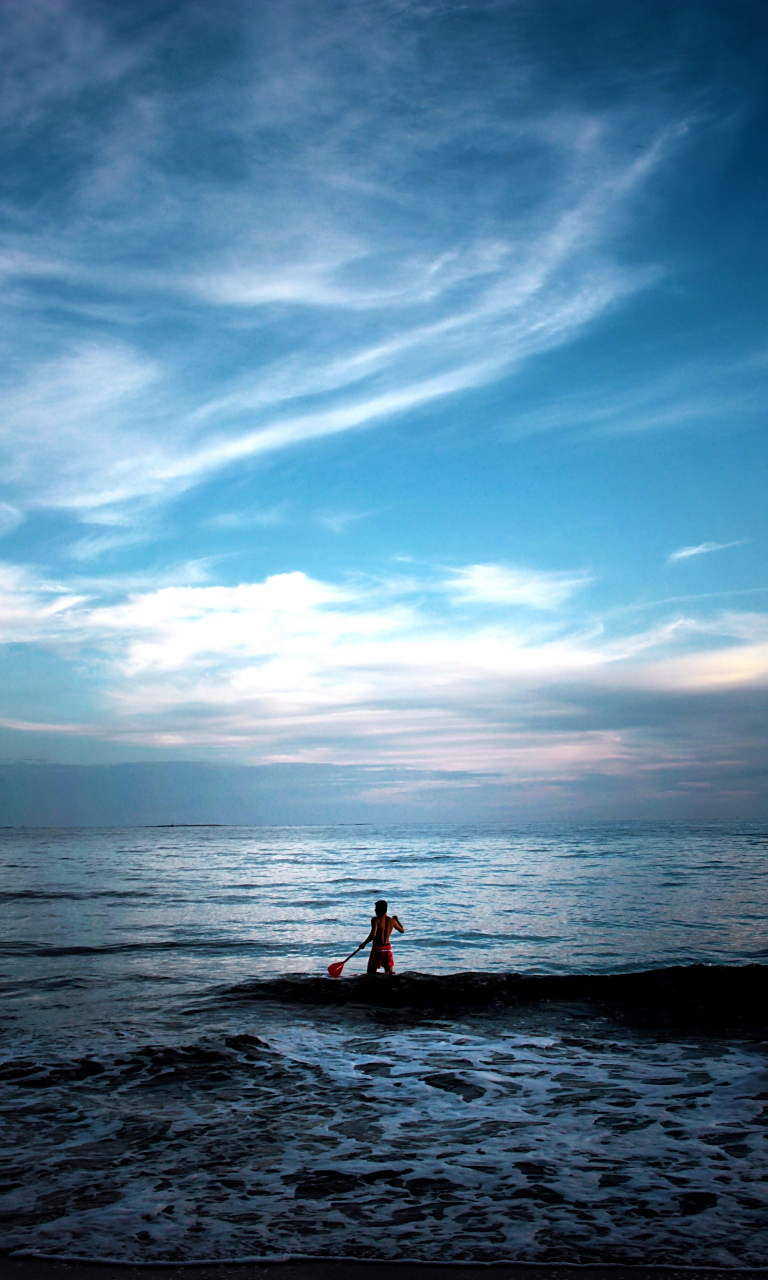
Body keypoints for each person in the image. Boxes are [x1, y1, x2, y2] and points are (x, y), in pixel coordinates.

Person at [363, 898, 404, 975]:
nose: (375, 910)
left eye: (376, 908)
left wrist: (364, 944)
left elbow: (373, 935)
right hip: (388, 949)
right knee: (390, 973)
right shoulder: (392, 921)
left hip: (377, 948)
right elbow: (402, 930)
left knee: (370, 974)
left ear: (381, 909)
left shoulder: (375, 919)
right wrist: (397, 920)